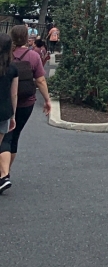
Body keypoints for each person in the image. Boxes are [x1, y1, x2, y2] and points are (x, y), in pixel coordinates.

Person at [0, 25, 52, 191]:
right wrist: (47, 100)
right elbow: (40, 81)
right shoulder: (33, 56)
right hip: (25, 103)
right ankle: (6, 173)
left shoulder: (8, 57)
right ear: (27, 38)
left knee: (5, 139)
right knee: (13, 138)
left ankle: (3, 174)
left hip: (4, 103)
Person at [0, 33, 18, 194]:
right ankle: (3, 177)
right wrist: (13, 116)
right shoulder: (12, 69)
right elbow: (14, 94)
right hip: (3, 111)